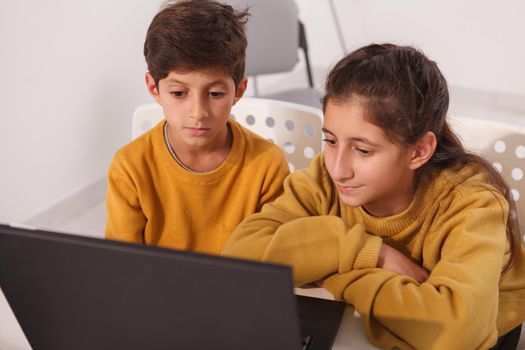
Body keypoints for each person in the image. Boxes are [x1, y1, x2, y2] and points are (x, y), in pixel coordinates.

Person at [222, 43, 525, 349]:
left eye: (363, 150)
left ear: (419, 151)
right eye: (330, 140)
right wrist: (364, 251)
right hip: (371, 330)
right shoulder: (325, 177)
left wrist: (334, 274)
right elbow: (239, 258)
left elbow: (455, 333)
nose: (338, 168)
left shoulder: (472, 200)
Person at [105, 0, 289, 254]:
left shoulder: (267, 165)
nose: (198, 113)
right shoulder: (129, 167)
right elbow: (121, 264)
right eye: (179, 93)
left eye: (214, 93)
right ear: (154, 89)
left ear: (239, 90)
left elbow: (275, 256)